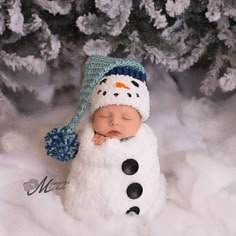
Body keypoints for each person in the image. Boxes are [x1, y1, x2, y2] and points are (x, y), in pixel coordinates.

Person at [44, 55, 166, 220]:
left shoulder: (146, 140)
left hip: (144, 208)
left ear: (141, 120)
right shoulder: (89, 141)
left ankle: (146, 208)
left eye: (126, 118)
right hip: (95, 215)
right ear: (93, 117)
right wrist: (93, 147)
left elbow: (149, 169)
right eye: (105, 116)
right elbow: (84, 169)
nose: (115, 122)